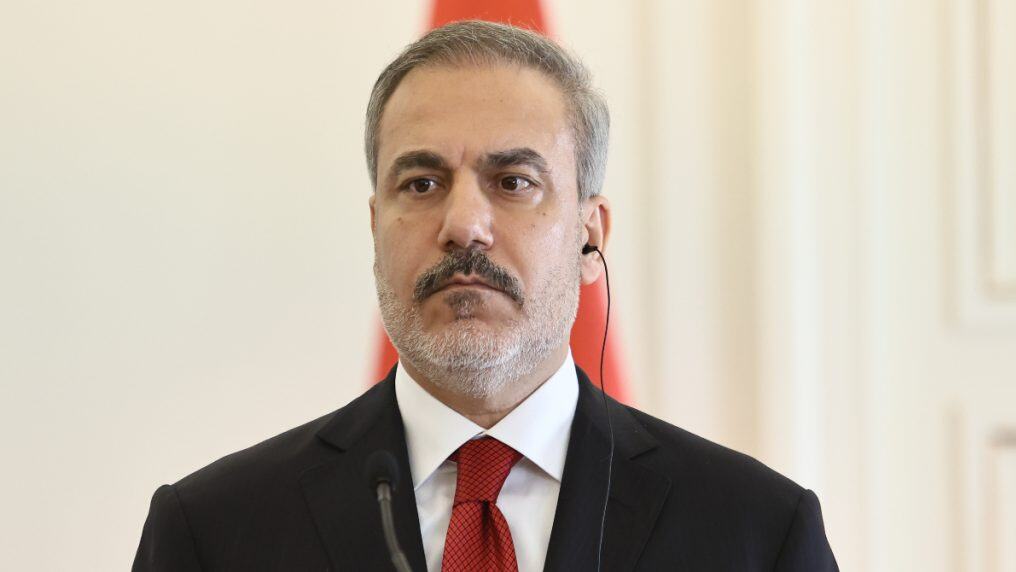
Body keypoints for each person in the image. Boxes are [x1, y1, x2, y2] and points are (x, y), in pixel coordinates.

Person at [133, 20, 838, 571]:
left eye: (513, 182)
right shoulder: (213, 531)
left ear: (590, 235)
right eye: (421, 183)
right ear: (375, 228)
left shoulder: (756, 531)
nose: (464, 224)